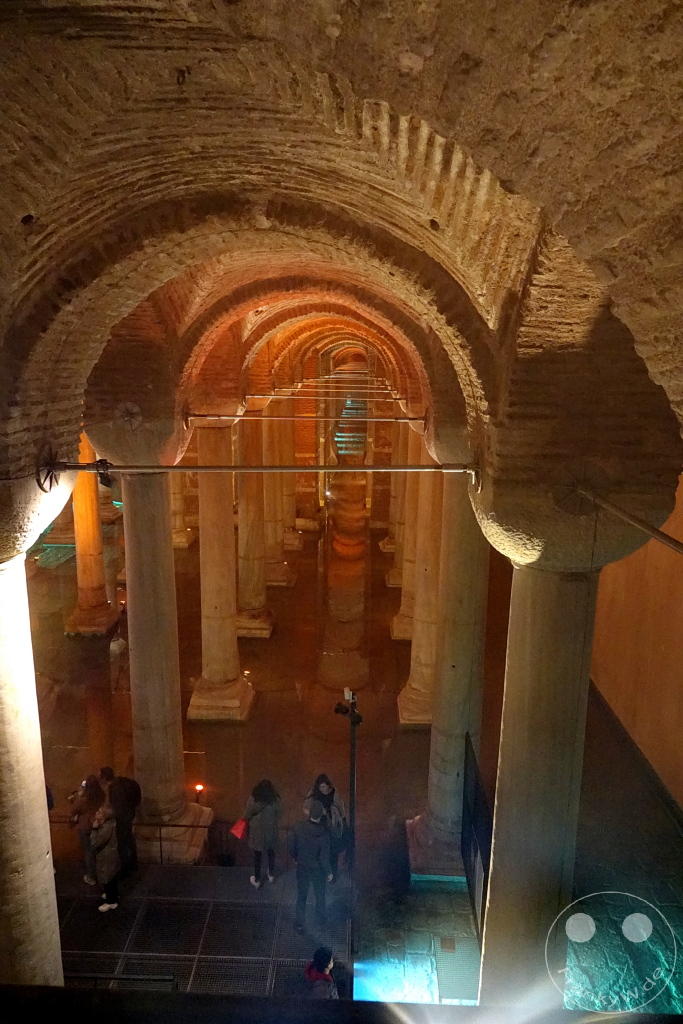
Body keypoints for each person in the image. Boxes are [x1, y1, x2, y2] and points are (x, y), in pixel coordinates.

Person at [288, 799, 333, 935]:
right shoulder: (324, 834)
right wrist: (329, 872)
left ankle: (299, 923)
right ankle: (320, 921)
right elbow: (324, 857)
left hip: (302, 867)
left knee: (302, 895)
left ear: (309, 813)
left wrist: (295, 857)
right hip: (318, 870)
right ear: (321, 815)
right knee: (320, 895)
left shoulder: (298, 828)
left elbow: (292, 845)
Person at [99, 767, 141, 878]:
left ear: (104, 777)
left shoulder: (116, 788)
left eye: (101, 776)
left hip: (123, 818)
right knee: (129, 839)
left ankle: (126, 868)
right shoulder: (121, 782)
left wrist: (108, 815)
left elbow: (118, 808)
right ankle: (133, 863)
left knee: (122, 843)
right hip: (130, 813)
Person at [305, 773, 347, 881]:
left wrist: (331, 813)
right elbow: (305, 807)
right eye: (320, 787)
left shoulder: (334, 792)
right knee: (320, 852)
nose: (322, 789)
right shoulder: (314, 793)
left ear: (328, 785)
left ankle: (333, 875)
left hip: (332, 827)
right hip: (319, 826)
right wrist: (315, 814)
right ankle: (322, 875)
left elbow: (341, 811)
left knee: (333, 852)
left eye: (323, 787)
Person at [243, 779, 281, 889]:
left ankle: (258, 879)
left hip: (257, 831)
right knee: (271, 852)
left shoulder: (253, 799)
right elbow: (279, 812)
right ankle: (271, 875)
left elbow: (247, 814)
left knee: (257, 856)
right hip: (270, 830)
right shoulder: (275, 799)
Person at [68, 774, 105, 885]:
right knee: (99, 851)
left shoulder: (83, 798)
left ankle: (91, 876)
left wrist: (74, 798)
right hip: (98, 824)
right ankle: (101, 875)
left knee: (88, 852)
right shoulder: (102, 795)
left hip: (85, 827)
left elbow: (74, 810)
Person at [90, 805, 121, 913]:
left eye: (99, 812)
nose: (96, 813)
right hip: (109, 855)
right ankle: (113, 895)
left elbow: (95, 843)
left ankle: (111, 902)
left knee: (108, 878)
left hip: (107, 857)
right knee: (111, 877)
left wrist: (94, 829)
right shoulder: (109, 824)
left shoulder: (106, 828)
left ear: (104, 816)